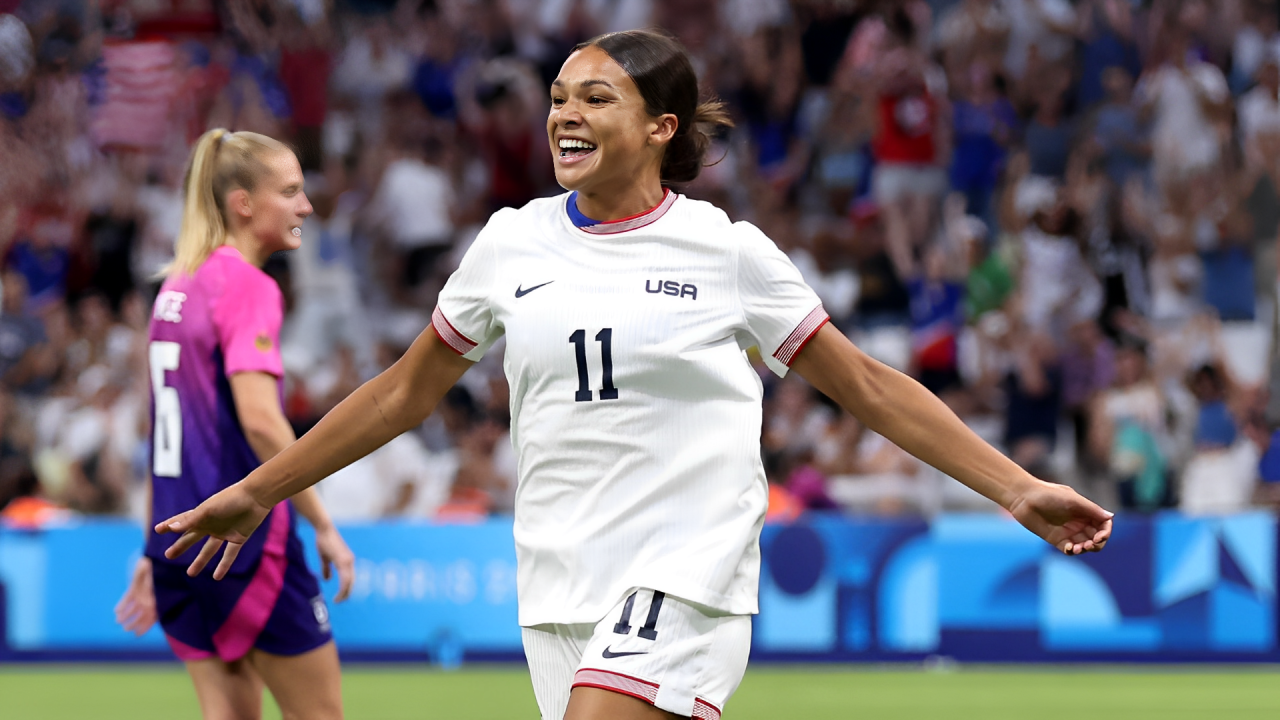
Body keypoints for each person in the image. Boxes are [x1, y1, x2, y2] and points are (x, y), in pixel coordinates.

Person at [155, 32, 1112, 720]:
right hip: (559, 582)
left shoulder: (724, 250)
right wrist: (255, 491)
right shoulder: (509, 241)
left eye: (594, 98)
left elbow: (864, 385)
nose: (564, 114)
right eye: (559, 97)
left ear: (661, 127)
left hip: (684, 575)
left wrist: (1016, 486)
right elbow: (401, 395)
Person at [114, 129, 355, 720]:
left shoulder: (176, 286)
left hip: (177, 544)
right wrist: (322, 523)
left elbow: (165, 437)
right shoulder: (247, 285)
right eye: (292, 192)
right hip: (240, 548)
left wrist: (152, 548)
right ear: (244, 203)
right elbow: (262, 423)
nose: (307, 206)